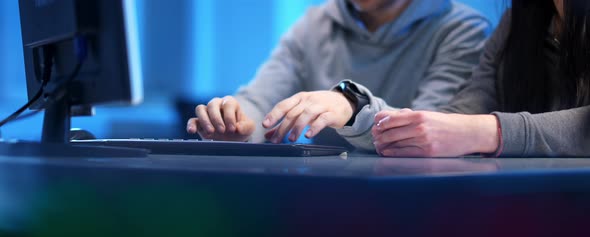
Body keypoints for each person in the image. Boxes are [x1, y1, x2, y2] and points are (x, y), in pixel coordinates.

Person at [186, 0, 491, 148]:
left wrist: (352, 107)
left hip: (414, 206)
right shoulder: (314, 24)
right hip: (324, 200)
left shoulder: (463, 30)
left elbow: (428, 135)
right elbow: (260, 99)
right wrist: (237, 124)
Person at [372, 0, 590, 157]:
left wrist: (487, 131)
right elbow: (469, 106)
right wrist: (389, 127)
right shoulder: (520, 21)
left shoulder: (460, 25)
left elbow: (468, 125)